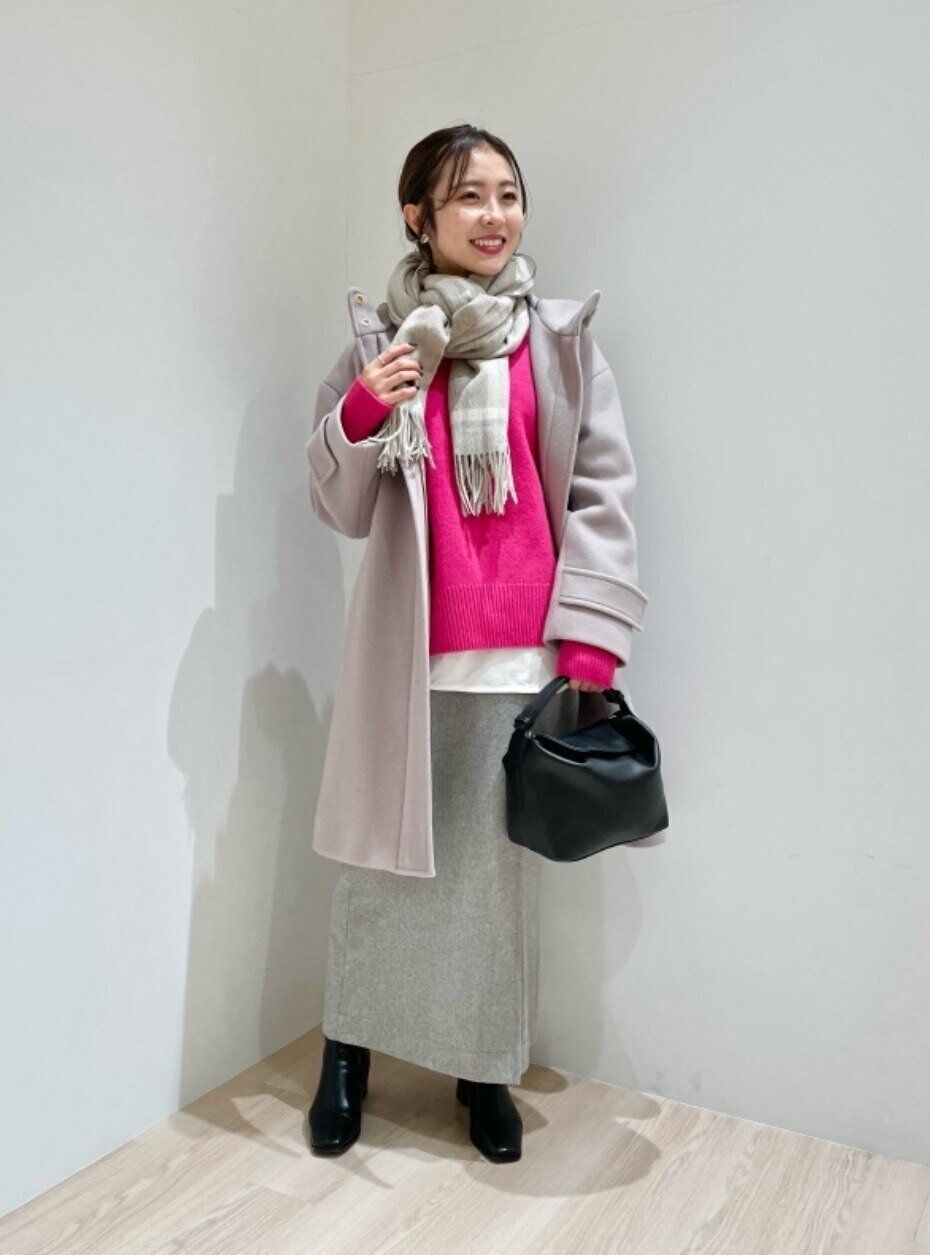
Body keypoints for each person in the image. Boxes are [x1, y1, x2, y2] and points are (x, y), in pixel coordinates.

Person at [304, 124, 649, 1163]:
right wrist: (363, 409)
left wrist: (592, 642)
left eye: (508, 193)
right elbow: (339, 507)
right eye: (468, 196)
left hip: (523, 659)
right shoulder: (381, 344)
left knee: (493, 890)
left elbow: (603, 493)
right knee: (380, 873)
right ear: (419, 216)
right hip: (408, 655)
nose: (495, 215)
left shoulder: (560, 339)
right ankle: (346, 1056)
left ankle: (484, 1070)